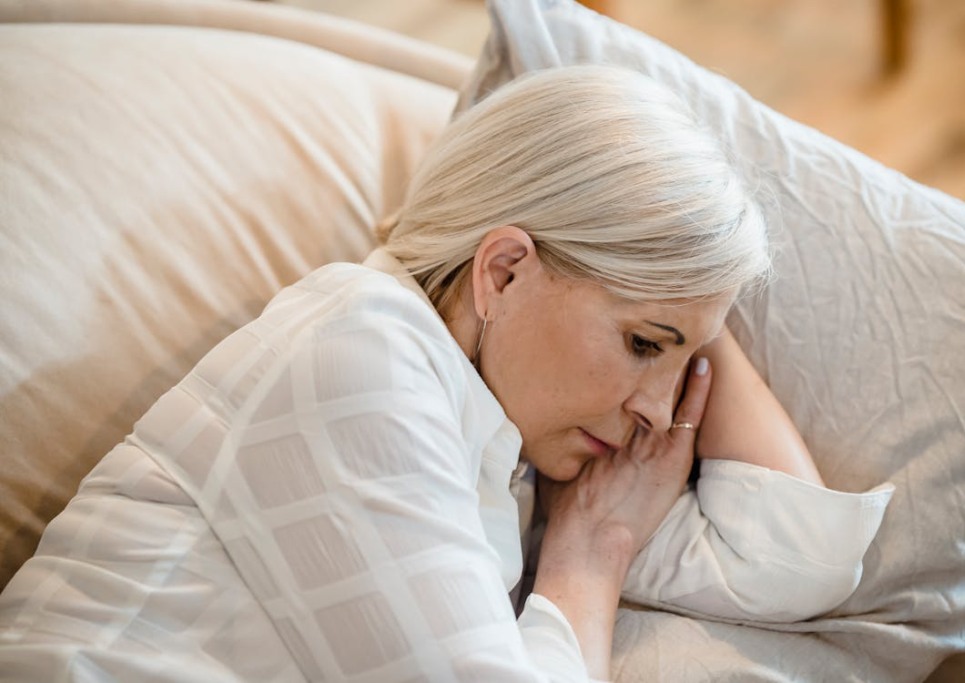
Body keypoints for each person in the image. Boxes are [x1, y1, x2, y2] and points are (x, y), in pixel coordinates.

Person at [0, 65, 892, 682]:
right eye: (641, 344)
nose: (658, 412)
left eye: (680, 362)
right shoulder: (358, 350)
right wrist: (589, 561)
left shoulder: (521, 440)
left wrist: (698, 305)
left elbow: (794, 563)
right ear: (503, 271)